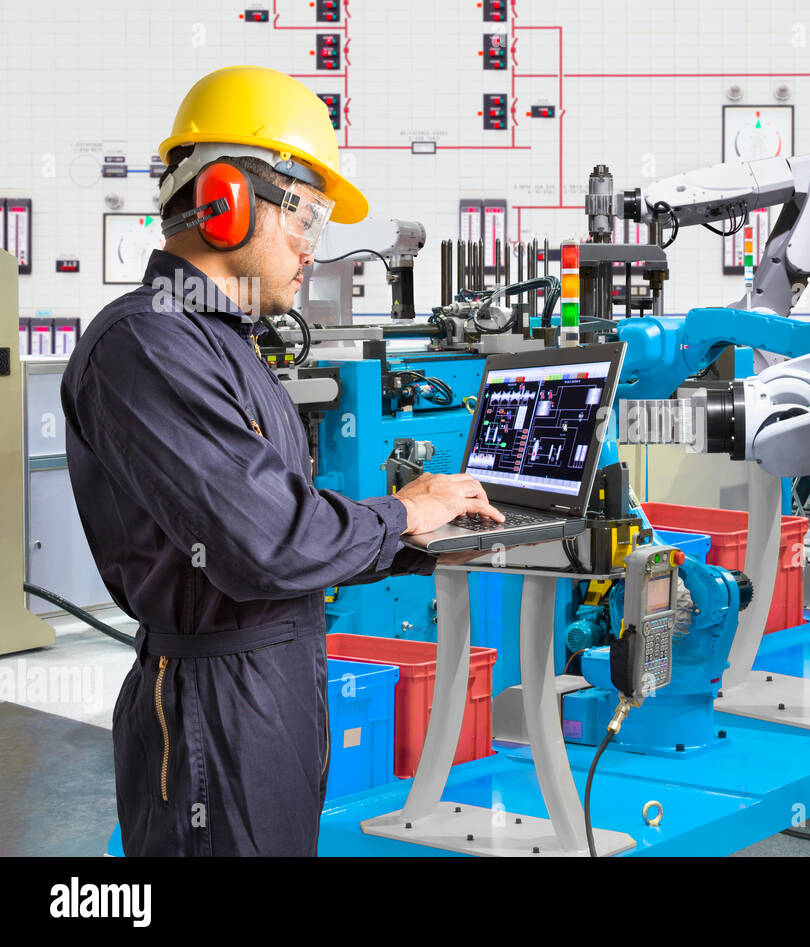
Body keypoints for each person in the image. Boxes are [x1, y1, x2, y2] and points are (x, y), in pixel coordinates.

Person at [61, 65, 502, 856]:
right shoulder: (147, 344)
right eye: (305, 216)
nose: (312, 249)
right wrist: (402, 512)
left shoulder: (221, 345)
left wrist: (416, 539)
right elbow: (265, 541)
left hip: (270, 685)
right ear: (225, 200)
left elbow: (276, 527)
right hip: (214, 716)